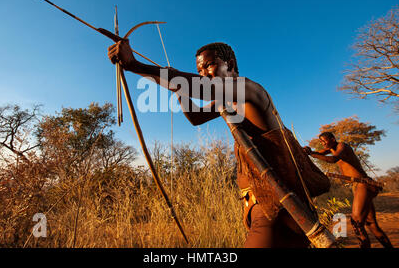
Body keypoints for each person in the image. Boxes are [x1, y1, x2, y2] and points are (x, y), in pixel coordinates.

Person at [108, 39, 329, 247]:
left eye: (209, 65)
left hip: (276, 206)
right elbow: (196, 116)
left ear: (230, 64)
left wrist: (135, 65)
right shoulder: (229, 99)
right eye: (199, 71)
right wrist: (177, 86)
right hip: (267, 206)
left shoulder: (249, 89)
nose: (204, 74)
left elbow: (200, 88)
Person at [303, 132, 393, 248]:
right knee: (371, 225)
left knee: (356, 223)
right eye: (321, 142)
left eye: (325, 140)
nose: (323, 143)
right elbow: (317, 153)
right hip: (358, 186)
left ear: (333, 139)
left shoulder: (342, 147)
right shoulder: (332, 148)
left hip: (363, 184)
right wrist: (307, 151)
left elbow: (333, 159)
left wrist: (312, 154)